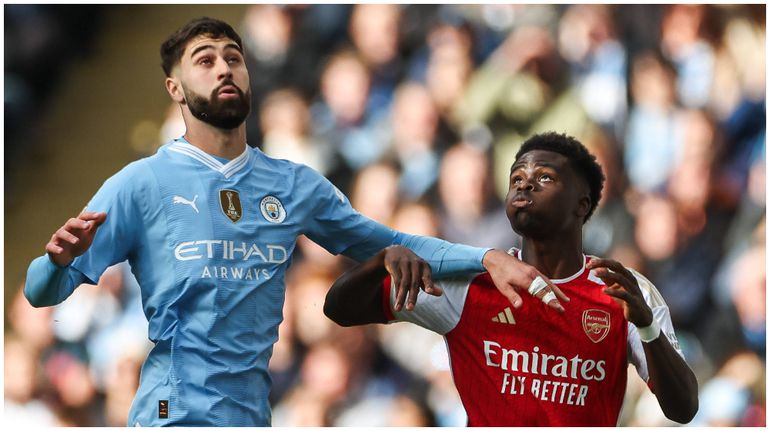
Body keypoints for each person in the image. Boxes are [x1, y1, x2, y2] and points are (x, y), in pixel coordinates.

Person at [22, 18, 567, 427]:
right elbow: (40, 294)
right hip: (173, 409)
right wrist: (56, 263)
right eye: (205, 61)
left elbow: (390, 241)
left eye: (233, 58)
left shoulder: (293, 184)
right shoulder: (140, 184)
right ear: (175, 90)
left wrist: (488, 257)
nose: (224, 69)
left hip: (253, 412)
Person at [324, 132, 699, 426]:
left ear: (582, 204)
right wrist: (380, 262)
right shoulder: (471, 284)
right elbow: (338, 309)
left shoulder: (621, 289)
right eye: (516, 177)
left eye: (544, 177)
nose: (524, 184)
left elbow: (683, 410)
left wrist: (647, 328)